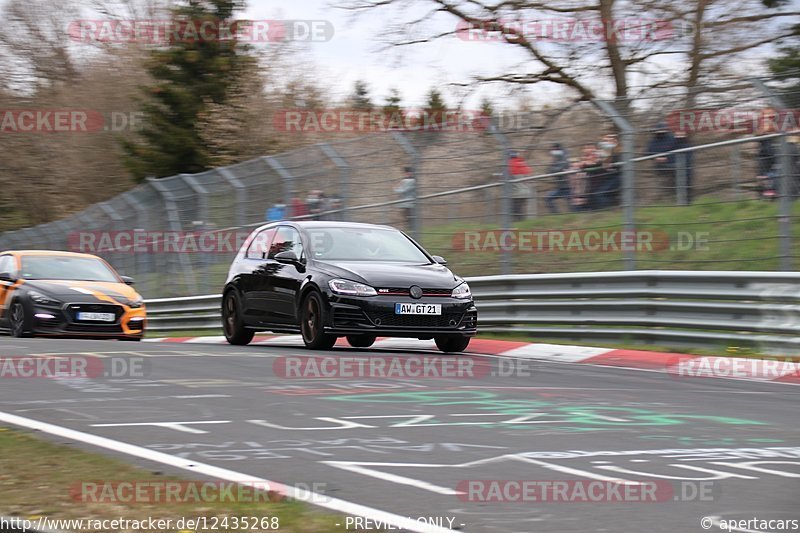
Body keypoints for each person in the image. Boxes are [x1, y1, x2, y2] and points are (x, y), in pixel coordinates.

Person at [646, 121, 677, 201]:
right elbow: (648, 152)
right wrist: (655, 158)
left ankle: (675, 199)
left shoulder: (672, 139)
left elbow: (677, 151)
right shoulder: (653, 141)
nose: (661, 133)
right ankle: (666, 200)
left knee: (674, 185)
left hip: (673, 166)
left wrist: (667, 158)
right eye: (659, 131)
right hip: (659, 167)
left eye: (663, 131)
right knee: (663, 187)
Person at [545, 143, 571, 214]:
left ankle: (574, 216)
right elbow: (549, 170)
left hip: (568, 187)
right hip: (560, 187)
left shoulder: (565, 158)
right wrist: (554, 168)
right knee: (548, 198)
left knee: (572, 205)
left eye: (554, 149)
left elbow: (561, 168)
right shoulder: (556, 159)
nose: (552, 151)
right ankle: (556, 215)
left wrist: (554, 169)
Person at [508, 150, 533, 221]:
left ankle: (520, 224)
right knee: (517, 209)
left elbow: (505, 177)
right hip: (527, 191)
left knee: (515, 210)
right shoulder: (523, 164)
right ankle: (519, 224)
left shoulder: (510, 165)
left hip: (517, 192)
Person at [672, 130, 694, 203]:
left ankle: (687, 202)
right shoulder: (673, 144)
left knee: (687, 185)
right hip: (676, 168)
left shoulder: (688, 145)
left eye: (681, 135)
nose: (679, 137)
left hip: (686, 168)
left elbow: (689, 157)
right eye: (678, 135)